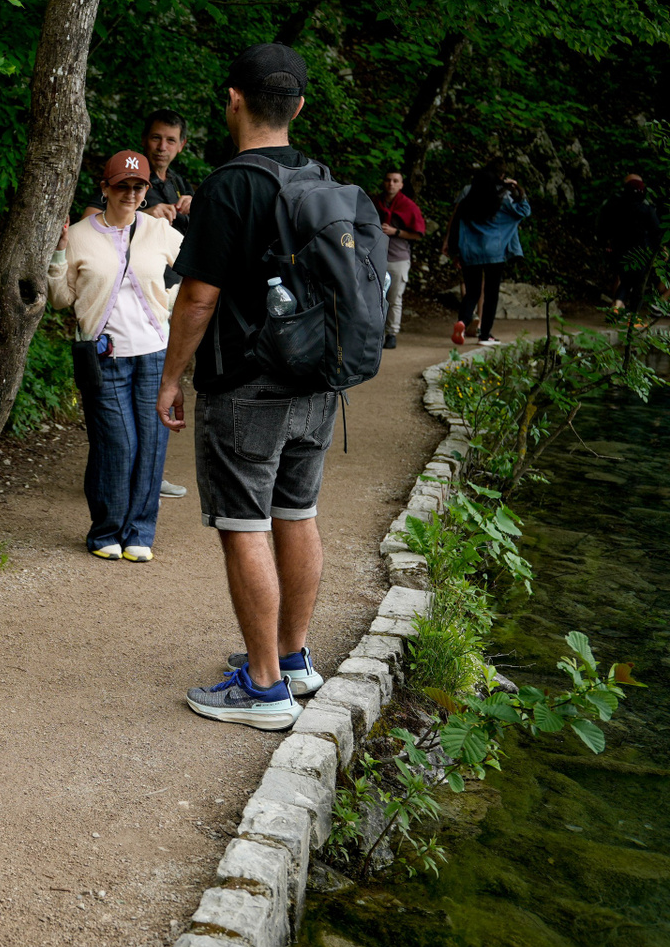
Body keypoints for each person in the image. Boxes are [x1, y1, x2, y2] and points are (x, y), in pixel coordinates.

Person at [157, 42, 334, 732]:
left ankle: (263, 690)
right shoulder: (319, 177)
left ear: (233, 100)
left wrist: (171, 378)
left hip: (246, 387)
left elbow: (199, 296)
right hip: (316, 381)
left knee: (244, 525)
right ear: (299, 107)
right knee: (297, 512)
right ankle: (292, 659)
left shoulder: (230, 185)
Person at [50, 150, 182, 562]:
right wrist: (58, 253)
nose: (131, 193)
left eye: (138, 186)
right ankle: (106, 530)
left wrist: (169, 302)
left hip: (155, 355)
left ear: (147, 190)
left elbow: (196, 274)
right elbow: (60, 298)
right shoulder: (80, 235)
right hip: (104, 356)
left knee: (152, 445)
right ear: (105, 188)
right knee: (117, 445)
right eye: (122, 185)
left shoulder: (159, 232)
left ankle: (139, 532)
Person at [442, 159, 530, 348]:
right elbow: (524, 211)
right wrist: (517, 188)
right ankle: (484, 335)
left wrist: (454, 249)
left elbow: (456, 221)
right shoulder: (505, 196)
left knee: (472, 292)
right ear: (501, 176)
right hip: (494, 252)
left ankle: (463, 322)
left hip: (470, 251)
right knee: (491, 293)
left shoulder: (468, 194)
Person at [371, 169, 425, 348]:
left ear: (401, 185)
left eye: (395, 181)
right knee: (374, 297)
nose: (391, 184)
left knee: (394, 298)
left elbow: (418, 234)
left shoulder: (408, 206)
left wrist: (396, 232)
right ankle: (375, 333)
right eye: (388, 180)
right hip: (375, 257)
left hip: (398, 258)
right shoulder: (374, 203)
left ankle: (391, 333)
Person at [600, 174, 660, 312]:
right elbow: (656, 231)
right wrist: (656, 248)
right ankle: (633, 316)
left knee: (626, 281)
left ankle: (616, 306)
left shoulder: (616, 206)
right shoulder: (647, 210)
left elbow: (605, 225)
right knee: (639, 284)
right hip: (640, 252)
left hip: (620, 249)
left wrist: (606, 242)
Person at [139, 110, 196, 231]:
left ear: (181, 145)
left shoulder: (180, 183)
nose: (162, 147)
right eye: (156, 138)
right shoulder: (128, 177)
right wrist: (141, 217)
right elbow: (97, 218)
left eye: (171, 140)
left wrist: (197, 208)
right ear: (144, 139)